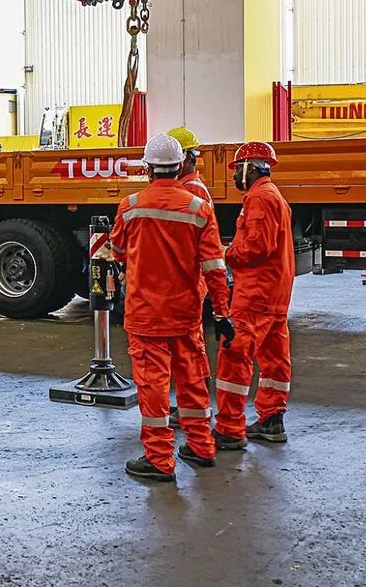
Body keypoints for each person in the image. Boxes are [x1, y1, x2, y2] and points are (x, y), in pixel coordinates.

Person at [108, 133, 233, 482]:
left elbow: (117, 250)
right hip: (186, 311)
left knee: (153, 385)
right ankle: (201, 445)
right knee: (193, 380)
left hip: (145, 313)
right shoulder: (198, 207)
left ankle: (160, 460)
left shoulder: (130, 206)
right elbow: (214, 265)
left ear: (148, 169)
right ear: (180, 167)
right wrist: (222, 311)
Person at [213, 141, 296, 449]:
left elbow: (255, 248)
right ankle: (272, 420)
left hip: (255, 294)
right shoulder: (273, 197)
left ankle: (229, 429)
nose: (235, 176)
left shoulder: (260, 198)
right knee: (274, 357)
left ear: (251, 168)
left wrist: (226, 253)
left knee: (235, 355)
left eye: (237, 170)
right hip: (275, 293)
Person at [166, 126, 213, 429]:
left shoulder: (191, 191)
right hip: (190, 279)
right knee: (190, 346)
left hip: (188, 280)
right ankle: (193, 402)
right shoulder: (194, 187)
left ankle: (192, 407)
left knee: (188, 348)